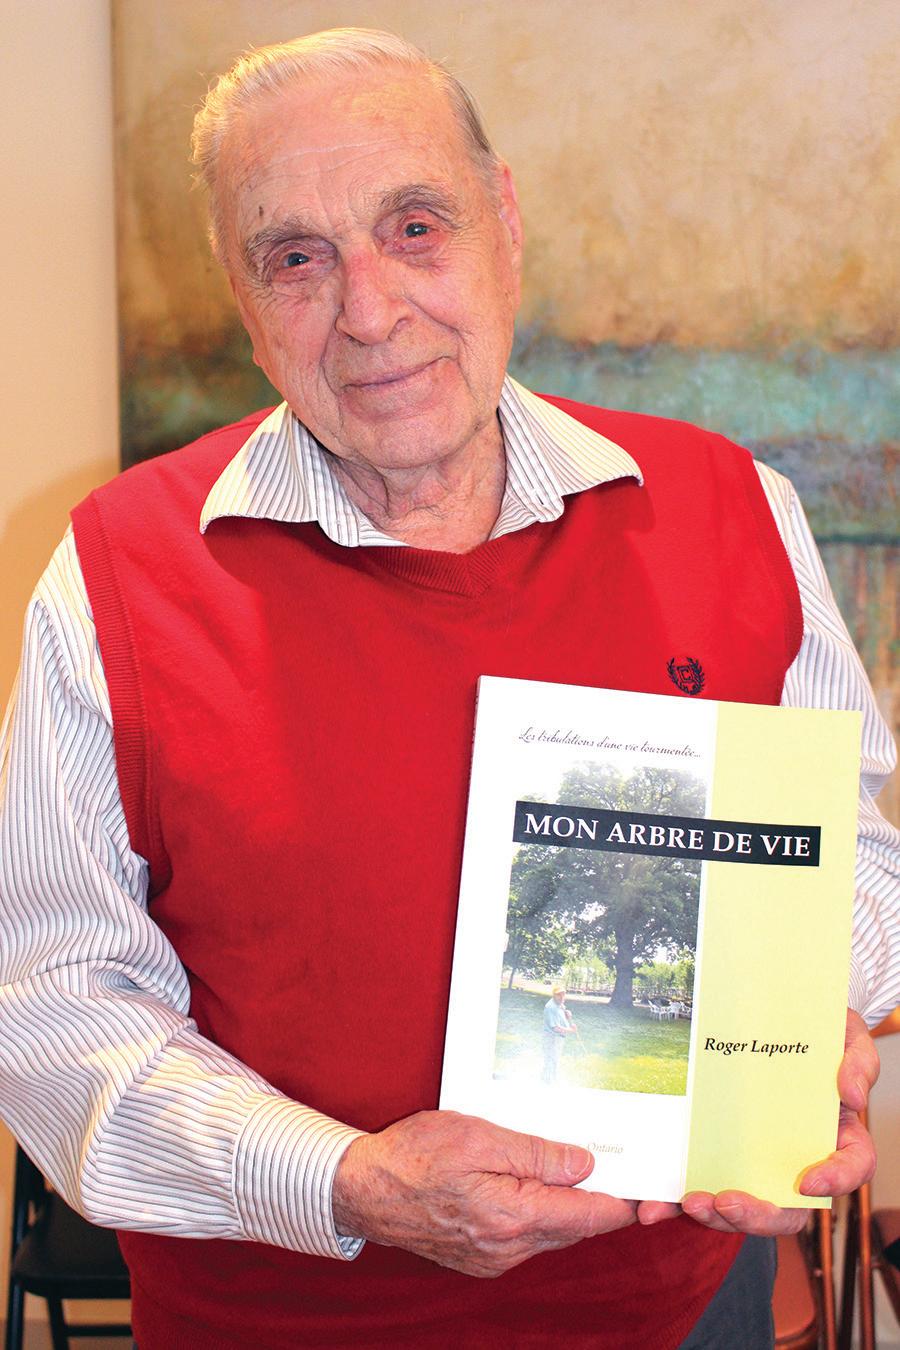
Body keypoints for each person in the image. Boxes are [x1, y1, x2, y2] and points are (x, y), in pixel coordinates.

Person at [0, 26, 897, 1350]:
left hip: (684, 1308)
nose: (370, 312)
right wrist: (350, 1183)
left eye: (415, 227)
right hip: (283, 1329)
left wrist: (817, 1010)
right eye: (296, 258)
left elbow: (857, 850)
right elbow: (52, 1003)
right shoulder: (117, 576)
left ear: (505, 223)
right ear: (245, 300)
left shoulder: (731, 509)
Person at [542, 986, 576, 1083]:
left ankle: (550, 1080)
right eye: (558, 995)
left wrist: (567, 1014)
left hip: (557, 1038)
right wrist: (571, 1030)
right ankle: (548, 1082)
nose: (561, 997)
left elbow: (560, 1015)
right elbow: (555, 1028)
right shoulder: (551, 1007)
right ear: (553, 995)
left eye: (563, 995)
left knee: (554, 1060)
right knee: (552, 1060)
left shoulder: (559, 1004)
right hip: (552, 1037)